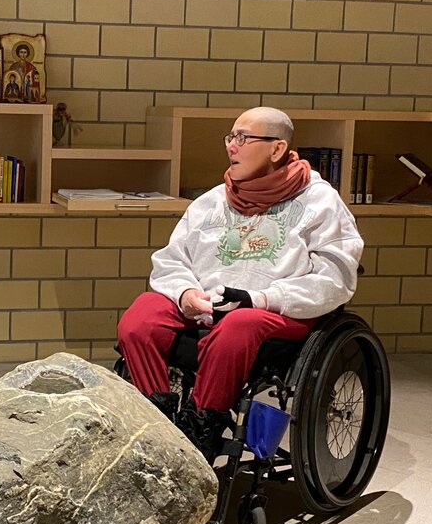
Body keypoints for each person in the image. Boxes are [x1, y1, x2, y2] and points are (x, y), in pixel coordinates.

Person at [116, 106, 362, 460]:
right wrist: (186, 293)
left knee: (239, 324)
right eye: (230, 137)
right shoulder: (212, 200)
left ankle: (202, 431)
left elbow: (334, 280)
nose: (231, 146)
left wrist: (259, 298)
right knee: (142, 315)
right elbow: (172, 260)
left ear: (277, 149)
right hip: (207, 306)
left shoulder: (319, 202)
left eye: (243, 138)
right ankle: (159, 426)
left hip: (275, 312)